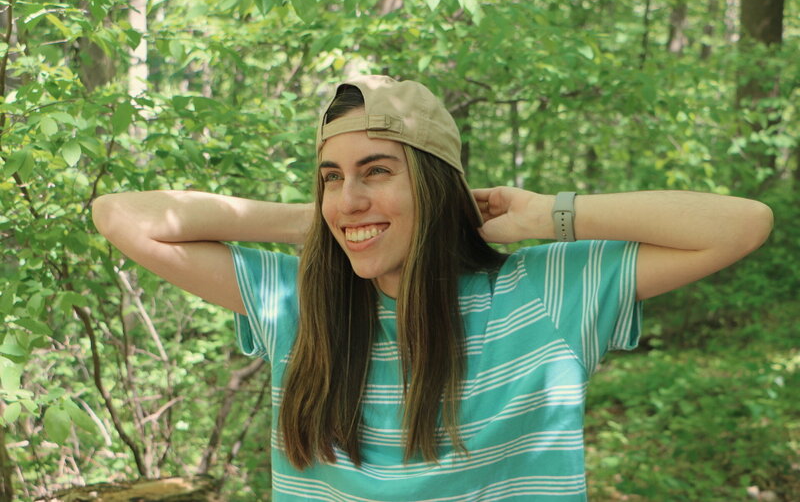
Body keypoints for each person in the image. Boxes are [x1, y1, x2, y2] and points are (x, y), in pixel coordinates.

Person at [92, 75, 773, 501]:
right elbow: (119, 215)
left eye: (376, 170)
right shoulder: (299, 302)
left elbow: (741, 224)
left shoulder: (540, 296)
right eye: (332, 175)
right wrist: (331, 220)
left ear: (434, 183)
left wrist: (546, 215)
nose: (349, 193)